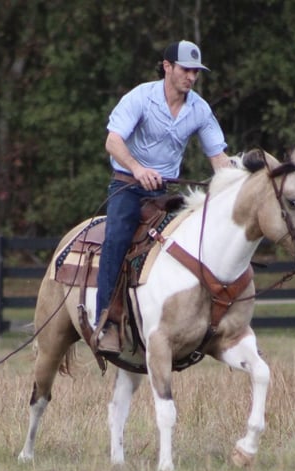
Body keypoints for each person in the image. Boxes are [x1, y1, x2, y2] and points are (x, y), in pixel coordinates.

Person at [94, 40, 230, 355]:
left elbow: (218, 157)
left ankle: (199, 322)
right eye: (186, 70)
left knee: (196, 240)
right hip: (127, 186)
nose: (192, 77)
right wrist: (138, 169)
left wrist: (235, 180)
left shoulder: (199, 109)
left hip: (163, 192)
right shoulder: (140, 97)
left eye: (196, 72)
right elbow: (113, 142)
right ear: (167, 67)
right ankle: (108, 323)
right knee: (116, 240)